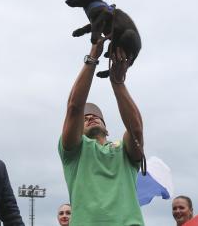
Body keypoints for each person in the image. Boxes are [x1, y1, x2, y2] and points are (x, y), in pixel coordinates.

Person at [59, 36, 145, 225]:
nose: (90, 117)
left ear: (106, 127)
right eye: (85, 118)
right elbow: (74, 107)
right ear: (76, 131)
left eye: (96, 116)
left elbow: (136, 129)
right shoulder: (74, 152)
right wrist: (93, 56)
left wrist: (117, 81)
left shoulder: (123, 150)